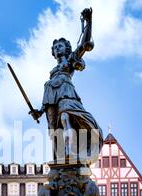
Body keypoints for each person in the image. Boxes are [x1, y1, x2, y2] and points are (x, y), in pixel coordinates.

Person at [29, 8, 103, 163]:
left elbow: (85, 44)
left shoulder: (69, 62)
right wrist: (39, 112)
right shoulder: (53, 72)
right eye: (55, 47)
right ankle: (64, 156)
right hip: (53, 106)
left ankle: (71, 153)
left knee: (66, 117)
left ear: (67, 49)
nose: (57, 48)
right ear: (53, 53)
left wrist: (89, 22)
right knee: (58, 131)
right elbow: (48, 99)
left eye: (60, 46)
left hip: (68, 97)